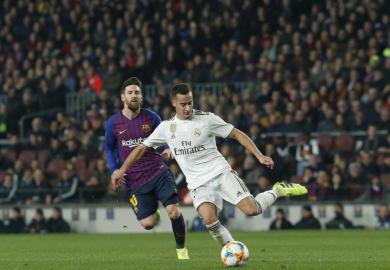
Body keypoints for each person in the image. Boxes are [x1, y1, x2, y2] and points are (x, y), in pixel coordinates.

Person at [113, 83, 307, 247]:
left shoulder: (207, 119)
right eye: (183, 104)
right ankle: (232, 249)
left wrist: (259, 155)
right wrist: (121, 170)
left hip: (220, 173)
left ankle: (278, 190)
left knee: (251, 210)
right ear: (173, 103)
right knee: (209, 219)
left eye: (190, 103)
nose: (187, 108)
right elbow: (140, 149)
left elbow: (237, 133)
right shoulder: (166, 128)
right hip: (198, 183)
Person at [105, 77, 189, 259]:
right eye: (130, 93)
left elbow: (165, 138)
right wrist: (114, 169)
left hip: (158, 171)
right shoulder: (113, 124)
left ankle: (181, 250)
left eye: (137, 92)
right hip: (135, 180)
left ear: (141, 97)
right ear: (122, 97)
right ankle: (153, 212)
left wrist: (167, 147)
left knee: (174, 212)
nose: (133, 96)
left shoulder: (152, 118)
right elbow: (109, 148)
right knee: (148, 224)